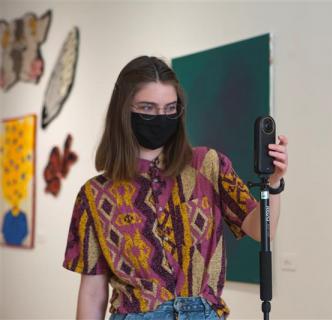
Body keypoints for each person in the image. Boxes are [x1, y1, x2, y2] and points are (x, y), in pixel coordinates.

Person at [62, 56, 288, 320]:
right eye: (148, 108)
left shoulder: (208, 165)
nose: (160, 117)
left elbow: (263, 230)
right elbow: (92, 292)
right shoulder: (94, 194)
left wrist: (273, 182)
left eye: (170, 109)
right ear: (124, 110)